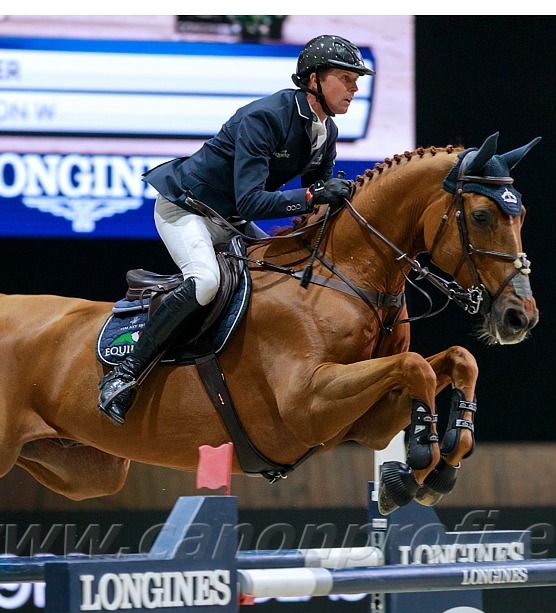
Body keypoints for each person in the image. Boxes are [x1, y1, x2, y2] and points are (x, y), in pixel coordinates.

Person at [97, 34, 375, 425]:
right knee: (206, 281)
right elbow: (253, 201)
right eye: (346, 78)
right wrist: (313, 195)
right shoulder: (265, 118)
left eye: (355, 79)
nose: (355, 87)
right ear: (314, 79)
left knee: (284, 275)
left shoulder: (325, 131)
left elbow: (315, 201)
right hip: (186, 209)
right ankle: (124, 376)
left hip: (230, 221)